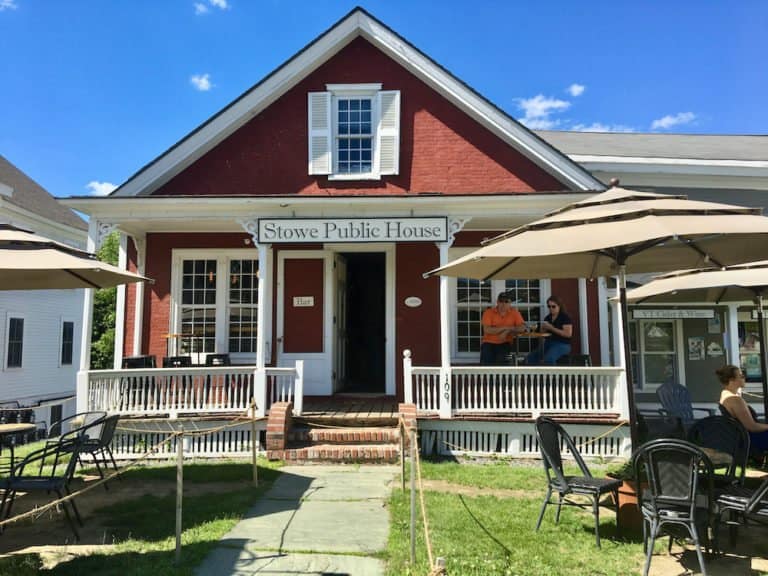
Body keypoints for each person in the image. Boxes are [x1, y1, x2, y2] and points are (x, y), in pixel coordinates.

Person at [717, 364, 768, 452]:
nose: (744, 378)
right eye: (741, 376)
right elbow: (751, 427)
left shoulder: (725, 393)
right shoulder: (734, 399)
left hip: (741, 436)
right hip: (749, 439)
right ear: (731, 379)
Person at [525, 295, 573, 365]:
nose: (551, 308)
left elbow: (568, 334)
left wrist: (551, 328)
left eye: (553, 306)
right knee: (530, 358)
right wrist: (542, 329)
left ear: (559, 306)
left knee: (549, 359)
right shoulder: (547, 318)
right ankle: (537, 375)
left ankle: (552, 375)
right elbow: (543, 334)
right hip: (548, 343)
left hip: (562, 344)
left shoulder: (564, 317)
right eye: (549, 306)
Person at [480, 292, 525, 365]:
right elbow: (487, 330)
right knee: (486, 364)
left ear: (510, 303)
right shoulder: (488, 312)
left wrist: (507, 331)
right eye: (501, 301)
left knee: (503, 363)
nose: (503, 304)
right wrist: (506, 328)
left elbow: (522, 328)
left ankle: (502, 376)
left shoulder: (515, 313)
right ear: (497, 302)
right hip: (488, 342)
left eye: (506, 301)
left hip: (505, 343)